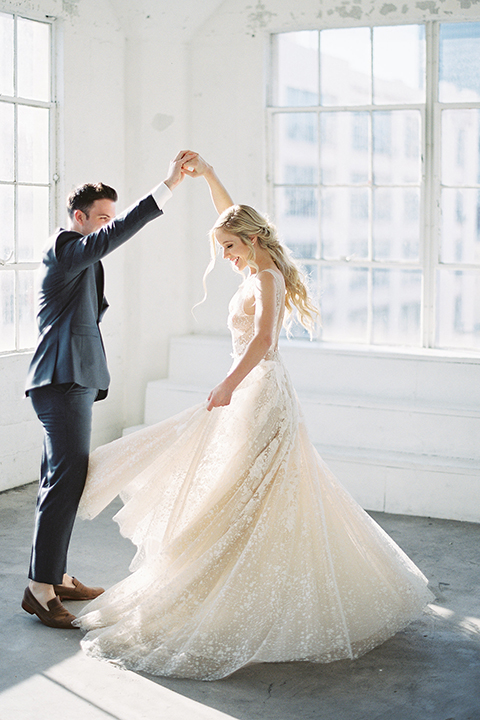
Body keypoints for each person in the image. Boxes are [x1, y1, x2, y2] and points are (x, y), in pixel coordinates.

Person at [74, 156, 433, 680]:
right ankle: (231, 589)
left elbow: (264, 341)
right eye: (223, 248)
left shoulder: (265, 275)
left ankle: (251, 596)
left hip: (259, 390)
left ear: (252, 242)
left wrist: (227, 384)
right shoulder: (254, 255)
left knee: (250, 493)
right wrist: (211, 175)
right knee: (240, 493)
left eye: (229, 247)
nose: (225, 257)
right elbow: (233, 215)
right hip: (254, 391)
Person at [22, 150, 197, 630]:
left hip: (69, 380)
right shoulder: (65, 247)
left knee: (57, 481)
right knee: (66, 480)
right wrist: (167, 186)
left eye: (109, 219)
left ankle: (52, 576)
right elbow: (111, 239)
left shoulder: (80, 259)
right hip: (61, 380)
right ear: (78, 218)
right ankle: (40, 589)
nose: (106, 226)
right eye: (99, 219)